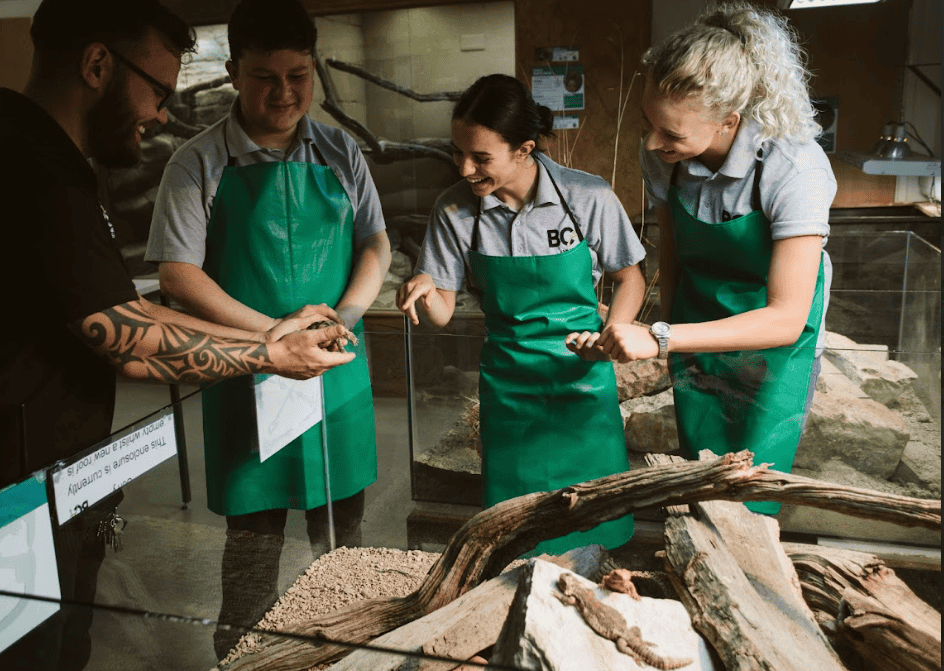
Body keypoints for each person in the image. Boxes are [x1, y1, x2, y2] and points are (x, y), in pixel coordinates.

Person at [0, 0, 354, 668]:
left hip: (32, 495)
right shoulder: (28, 171)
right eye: (157, 90)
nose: (160, 114)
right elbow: (125, 339)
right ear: (97, 64)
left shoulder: (40, 159)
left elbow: (121, 307)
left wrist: (275, 332)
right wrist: (270, 351)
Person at [144, 0, 390, 658]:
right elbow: (179, 274)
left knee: (346, 551)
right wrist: (274, 338)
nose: (284, 93)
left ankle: (345, 654)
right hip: (248, 374)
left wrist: (343, 316)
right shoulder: (196, 163)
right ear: (231, 72)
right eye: (264, 76)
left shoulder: (341, 150)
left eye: (298, 75)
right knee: (252, 553)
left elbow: (375, 245)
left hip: (335, 370)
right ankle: (241, 655)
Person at [568, 2, 835, 515]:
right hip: (696, 321)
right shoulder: (665, 156)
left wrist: (661, 337)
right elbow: (673, 254)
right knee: (701, 477)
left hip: (773, 342)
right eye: (650, 123)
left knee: (751, 487)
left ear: (728, 121)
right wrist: (668, 332)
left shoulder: (794, 164)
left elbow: (784, 319)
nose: (652, 142)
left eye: (671, 134)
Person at [397, 74, 646, 555]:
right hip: (509, 387)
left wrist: (614, 332)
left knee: (594, 523)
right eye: (457, 152)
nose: (465, 168)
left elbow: (630, 277)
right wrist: (424, 289)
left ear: (524, 149)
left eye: (481, 157)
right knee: (515, 533)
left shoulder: (586, 196)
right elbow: (441, 314)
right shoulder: (453, 211)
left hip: (584, 377)